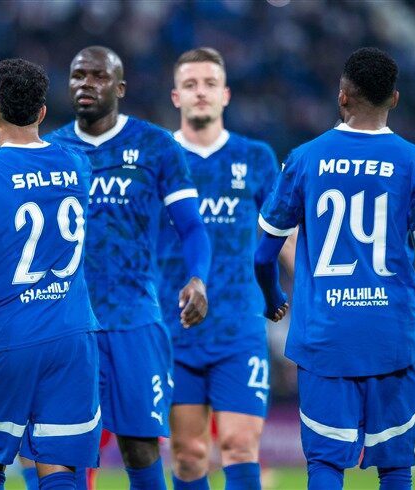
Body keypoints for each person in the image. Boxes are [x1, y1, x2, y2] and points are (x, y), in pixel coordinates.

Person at [253, 47, 415, 490]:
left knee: (326, 465)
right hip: (394, 339)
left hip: (325, 339)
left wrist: (274, 298)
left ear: (342, 95)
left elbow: (263, 255)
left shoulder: (304, 159)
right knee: (396, 469)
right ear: (395, 99)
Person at [42, 46, 212, 490]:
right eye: (78, 75)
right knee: (65, 452)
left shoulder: (155, 145)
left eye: (98, 76)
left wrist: (198, 278)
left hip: (133, 320)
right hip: (69, 323)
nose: (86, 83)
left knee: (140, 448)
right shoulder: (51, 150)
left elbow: (192, 226)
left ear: (119, 88)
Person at [0, 58, 101, 490]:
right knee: (57, 464)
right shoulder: (78, 165)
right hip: (71, 335)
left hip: (7, 336)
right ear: (43, 111)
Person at [157, 47, 294, 490]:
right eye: (191, 85)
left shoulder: (255, 157)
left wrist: (315, 292)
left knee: (239, 445)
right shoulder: (157, 157)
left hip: (240, 326)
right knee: (189, 454)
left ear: (226, 94)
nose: (201, 92)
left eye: (210, 84)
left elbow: (284, 234)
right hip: (174, 329)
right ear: (176, 96)